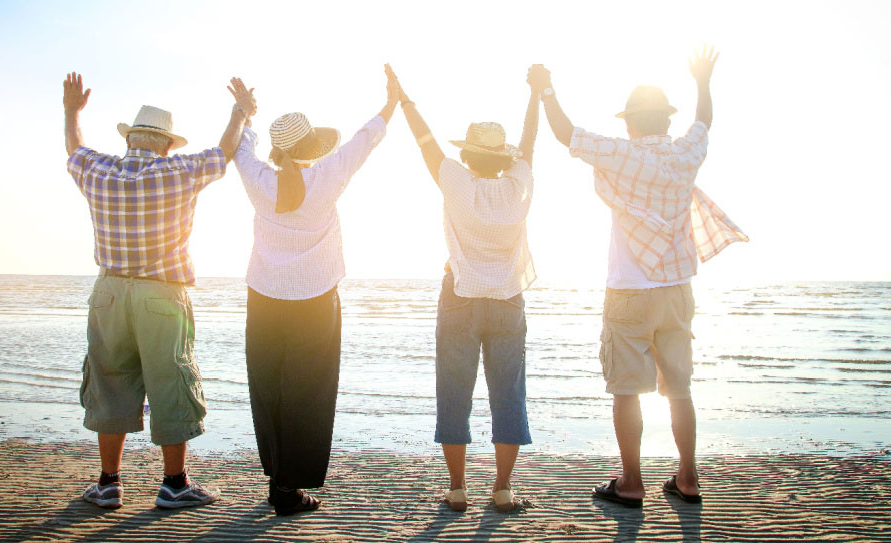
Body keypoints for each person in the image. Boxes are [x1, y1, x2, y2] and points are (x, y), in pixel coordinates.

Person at [535, 50, 747, 508]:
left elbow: (564, 133)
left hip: (630, 291)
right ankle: (687, 478)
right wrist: (703, 81)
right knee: (680, 390)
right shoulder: (685, 154)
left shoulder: (622, 154)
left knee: (627, 390)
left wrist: (547, 89)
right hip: (676, 291)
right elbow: (704, 123)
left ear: (631, 124)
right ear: (666, 124)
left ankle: (631, 483)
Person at [63, 71, 256, 510]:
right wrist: (239, 112)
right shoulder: (179, 170)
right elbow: (224, 152)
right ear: (168, 144)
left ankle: (109, 483)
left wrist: (72, 111)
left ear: (131, 139)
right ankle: (174, 483)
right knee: (171, 382)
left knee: (110, 381)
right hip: (161, 295)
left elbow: (74, 147)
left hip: (108, 293)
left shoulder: (98, 170)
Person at [229, 68, 399, 516]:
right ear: (309, 148)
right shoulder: (328, 175)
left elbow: (238, 147)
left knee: (268, 387)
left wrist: (245, 112)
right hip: (316, 301)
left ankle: (276, 477)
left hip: (264, 299)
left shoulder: (257, 177)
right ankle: (288, 486)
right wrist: (392, 102)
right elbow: (367, 138)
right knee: (309, 392)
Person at [391, 64, 540, 513]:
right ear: (504, 160)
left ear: (469, 157)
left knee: (454, 391)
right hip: (508, 300)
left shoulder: (455, 180)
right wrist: (535, 95)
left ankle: (457, 488)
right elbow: (530, 144)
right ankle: (503, 488)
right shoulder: (519, 186)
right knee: (508, 393)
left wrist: (404, 101)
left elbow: (425, 142)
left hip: (459, 296)